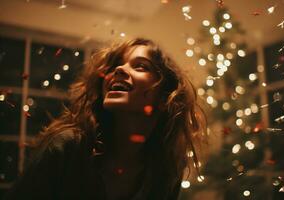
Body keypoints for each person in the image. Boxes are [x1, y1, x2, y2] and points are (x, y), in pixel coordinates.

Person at [5, 38, 206, 200]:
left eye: (140, 66)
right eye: (117, 65)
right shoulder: (67, 147)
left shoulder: (165, 173)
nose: (118, 70)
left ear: (165, 97)